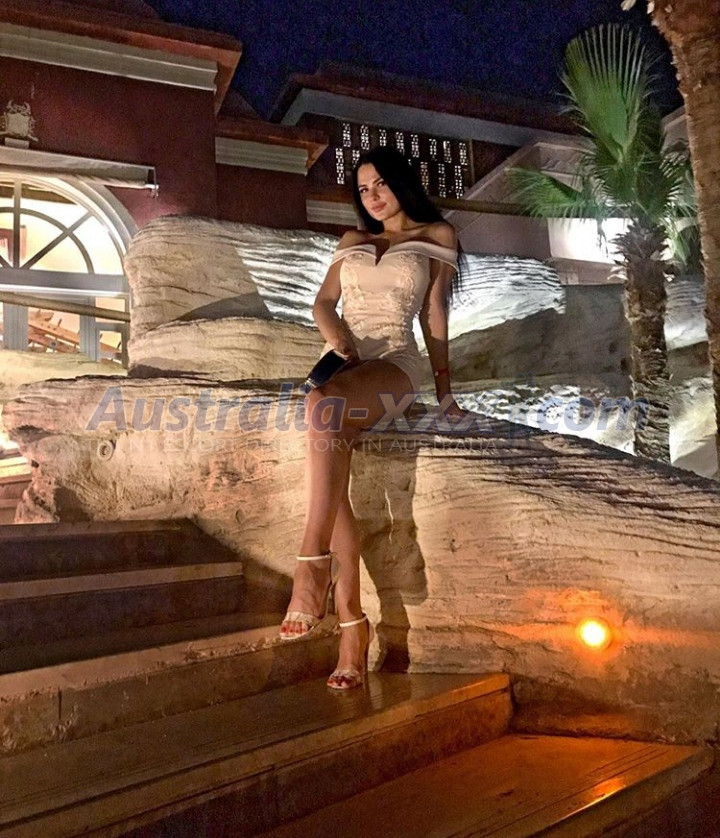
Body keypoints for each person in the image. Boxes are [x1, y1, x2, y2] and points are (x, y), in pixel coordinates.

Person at [279, 145, 471, 690]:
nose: (373, 196)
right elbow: (323, 303)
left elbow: (434, 315)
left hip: (394, 365)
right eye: (363, 189)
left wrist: (445, 391)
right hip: (345, 363)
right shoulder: (351, 241)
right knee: (325, 427)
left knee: (322, 407)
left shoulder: (436, 236)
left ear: (401, 182)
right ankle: (352, 627)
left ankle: (311, 564)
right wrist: (336, 336)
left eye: (381, 184)